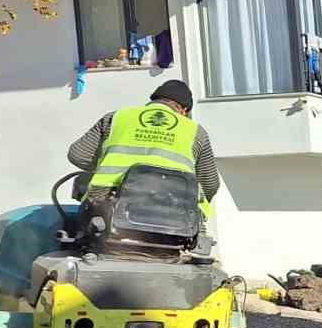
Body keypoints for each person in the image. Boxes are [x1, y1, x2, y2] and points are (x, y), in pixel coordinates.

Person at [67, 79, 220, 238]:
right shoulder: (196, 131)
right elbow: (210, 183)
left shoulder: (116, 118)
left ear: (154, 100)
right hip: (174, 215)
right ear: (184, 110)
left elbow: (77, 154)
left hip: (105, 205)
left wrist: (106, 165)